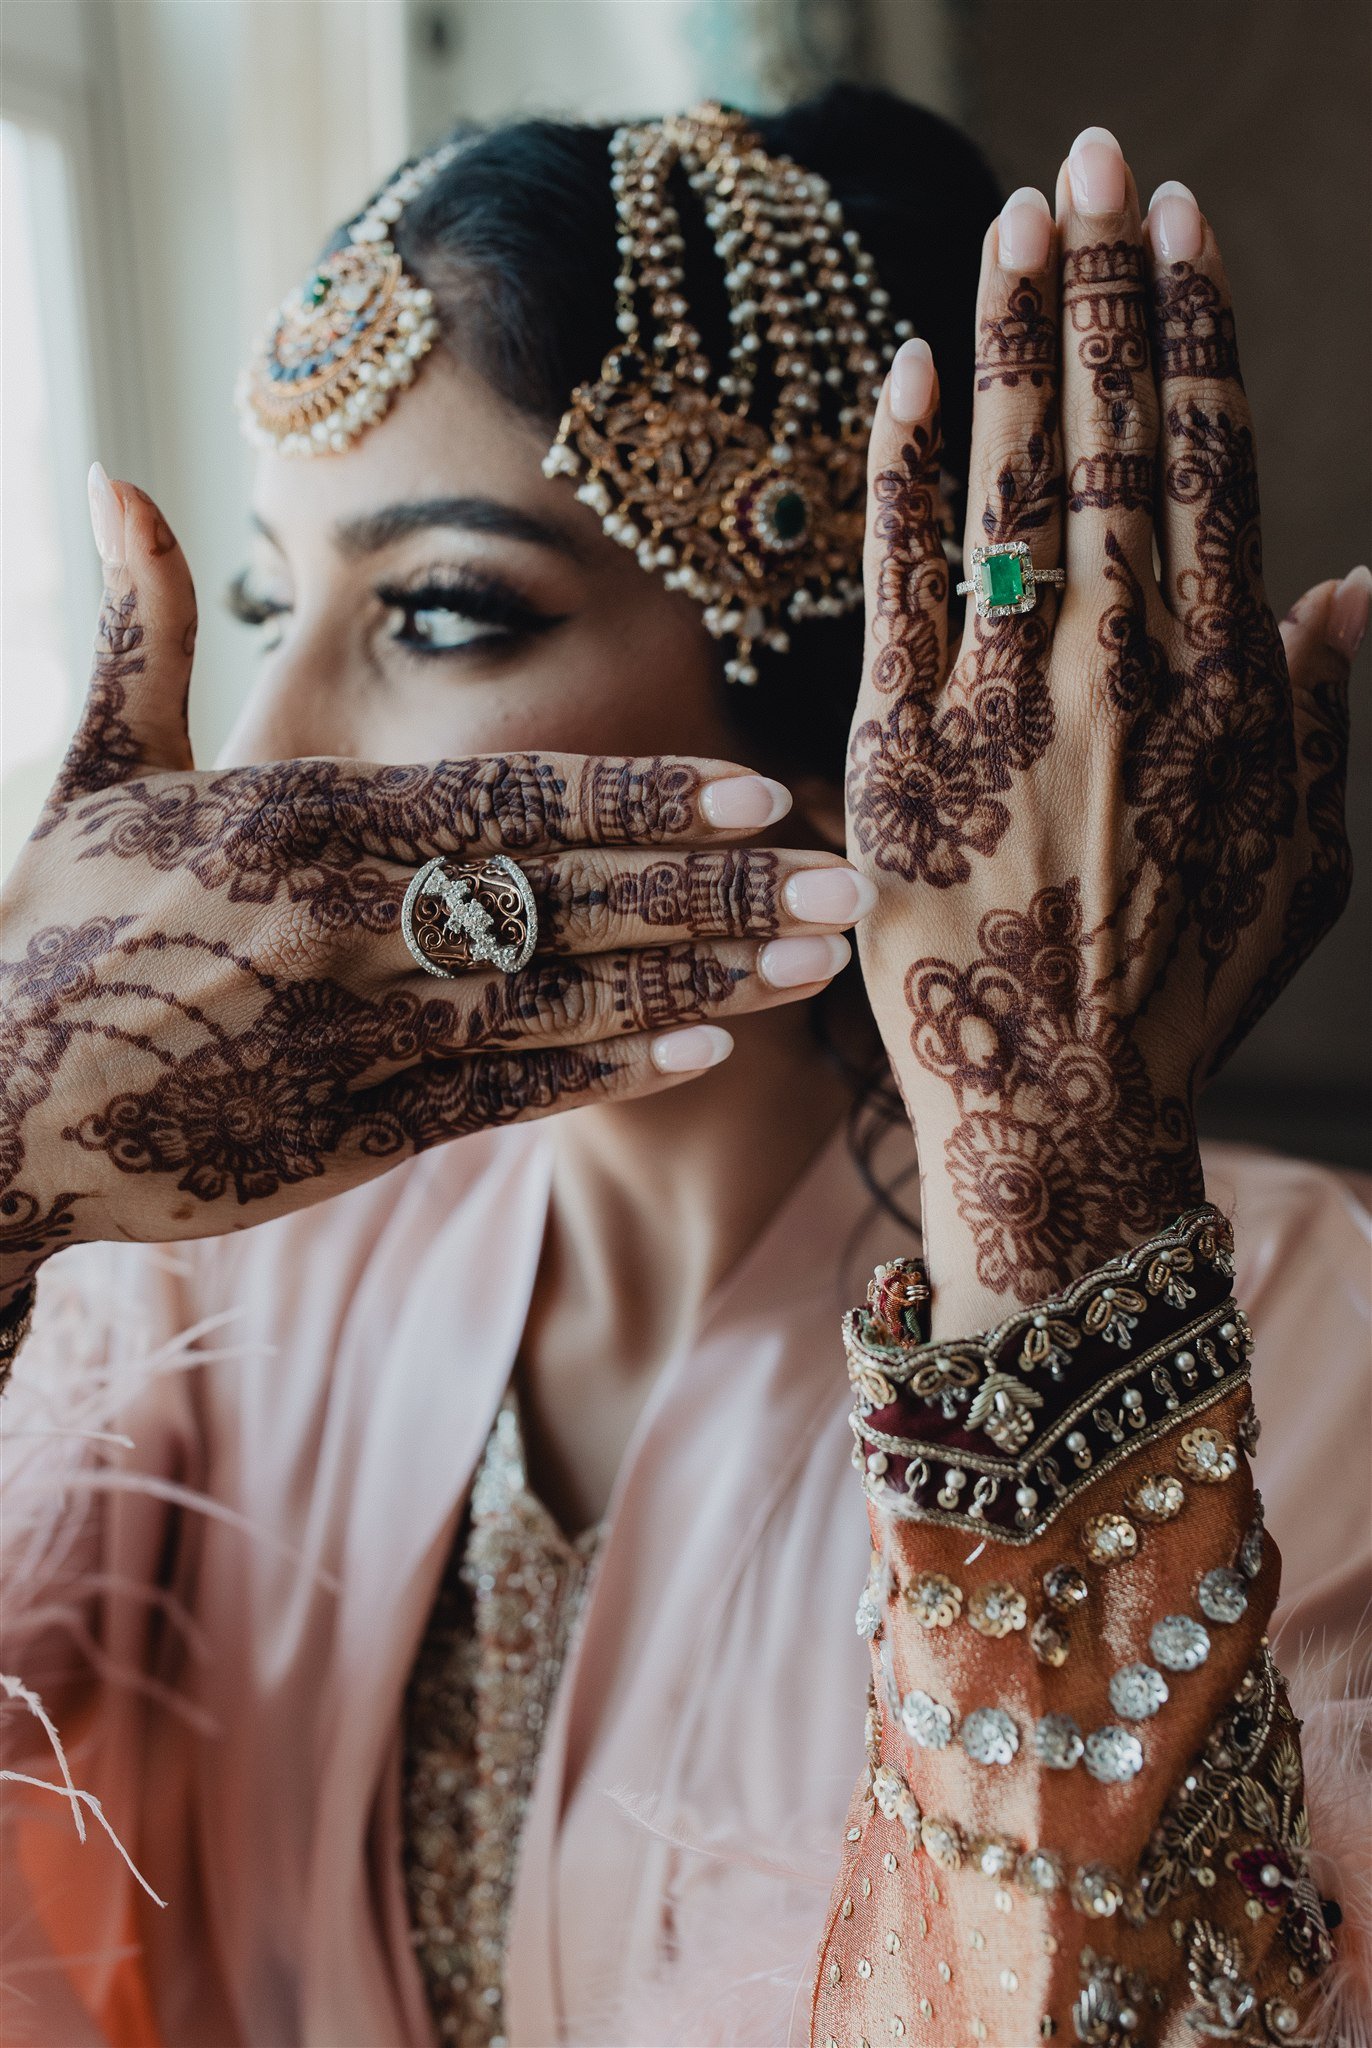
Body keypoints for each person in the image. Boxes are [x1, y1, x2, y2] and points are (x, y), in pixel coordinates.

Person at [0, 85, 1367, 2047]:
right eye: (263, 603)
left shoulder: (1298, 1330)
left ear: (866, 703)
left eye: (441, 611)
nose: (264, 760)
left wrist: (1050, 1224)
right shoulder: (211, 1270)